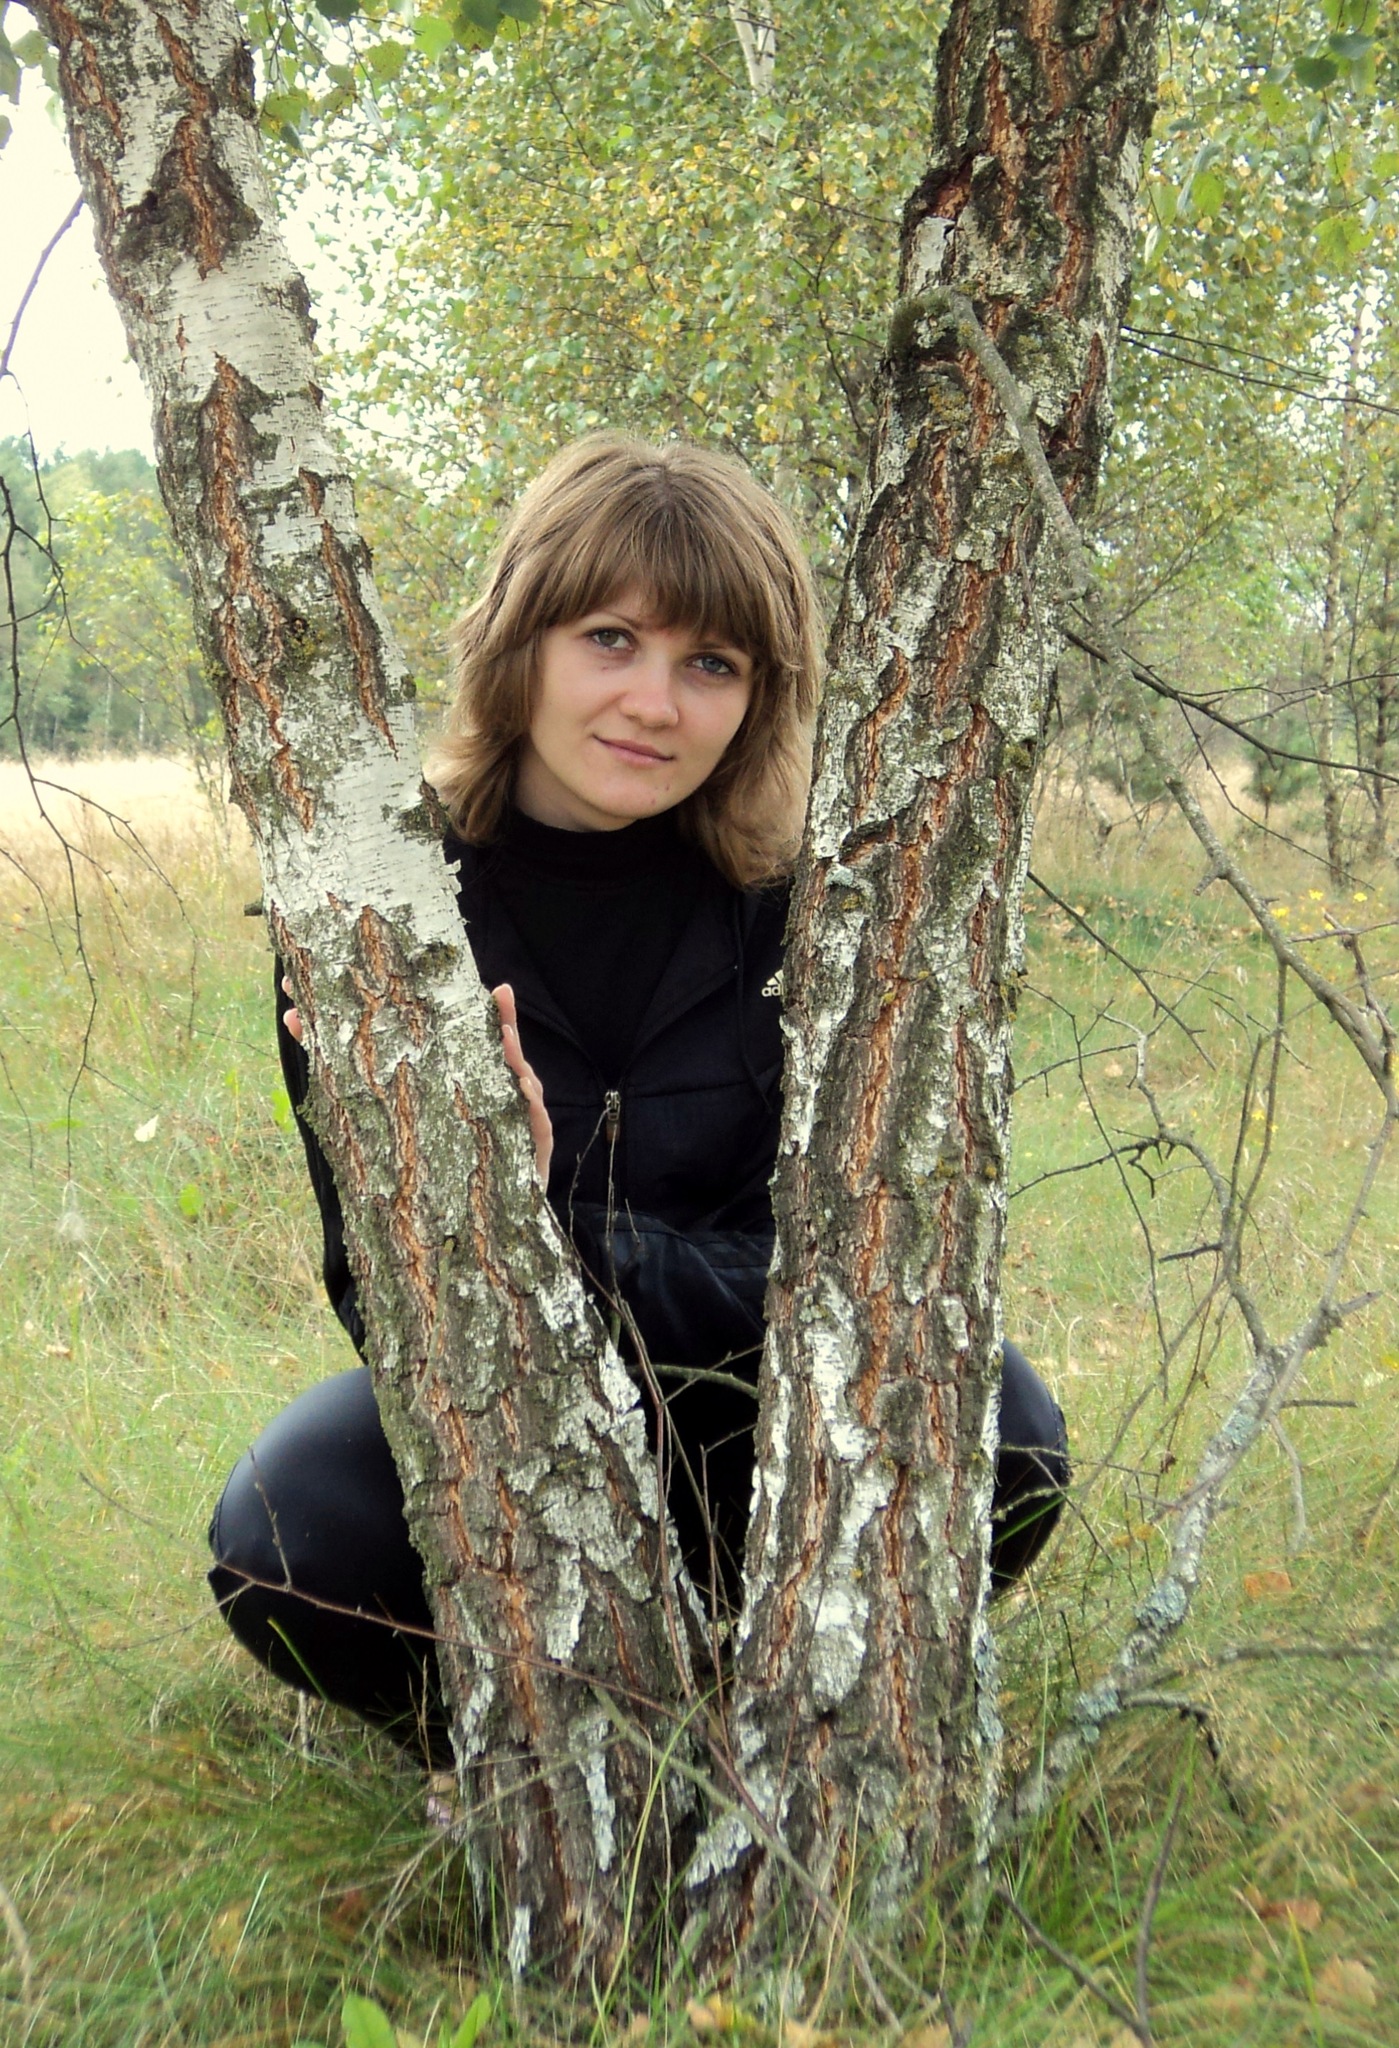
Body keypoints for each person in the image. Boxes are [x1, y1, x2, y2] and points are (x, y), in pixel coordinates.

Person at [207, 435, 1069, 1770]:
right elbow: (376, 1297)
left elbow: (850, 1278)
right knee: (288, 1525)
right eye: (610, 639)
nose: (655, 704)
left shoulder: (809, 908)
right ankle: (545, 1759)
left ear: (759, 697)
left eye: (711, 663)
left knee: (1006, 1427)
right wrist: (481, 1210)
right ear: (522, 641)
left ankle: (769, 1716)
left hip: (755, 1418)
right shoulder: (383, 911)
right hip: (501, 1415)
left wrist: (565, 1237)